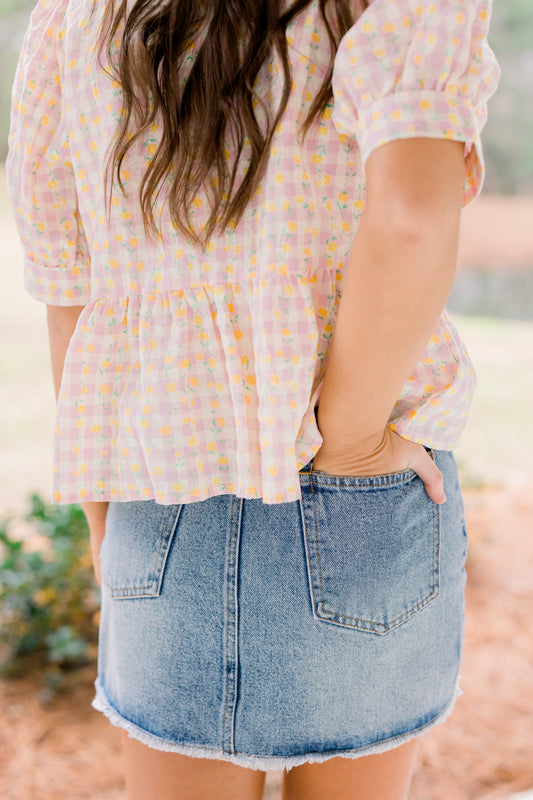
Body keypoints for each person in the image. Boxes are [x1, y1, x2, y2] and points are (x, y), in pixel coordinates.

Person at [7, 0, 500, 797]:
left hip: (154, 489)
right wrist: (353, 442)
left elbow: (70, 294)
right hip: (357, 488)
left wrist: (104, 523)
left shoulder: (71, 15)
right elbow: (411, 211)